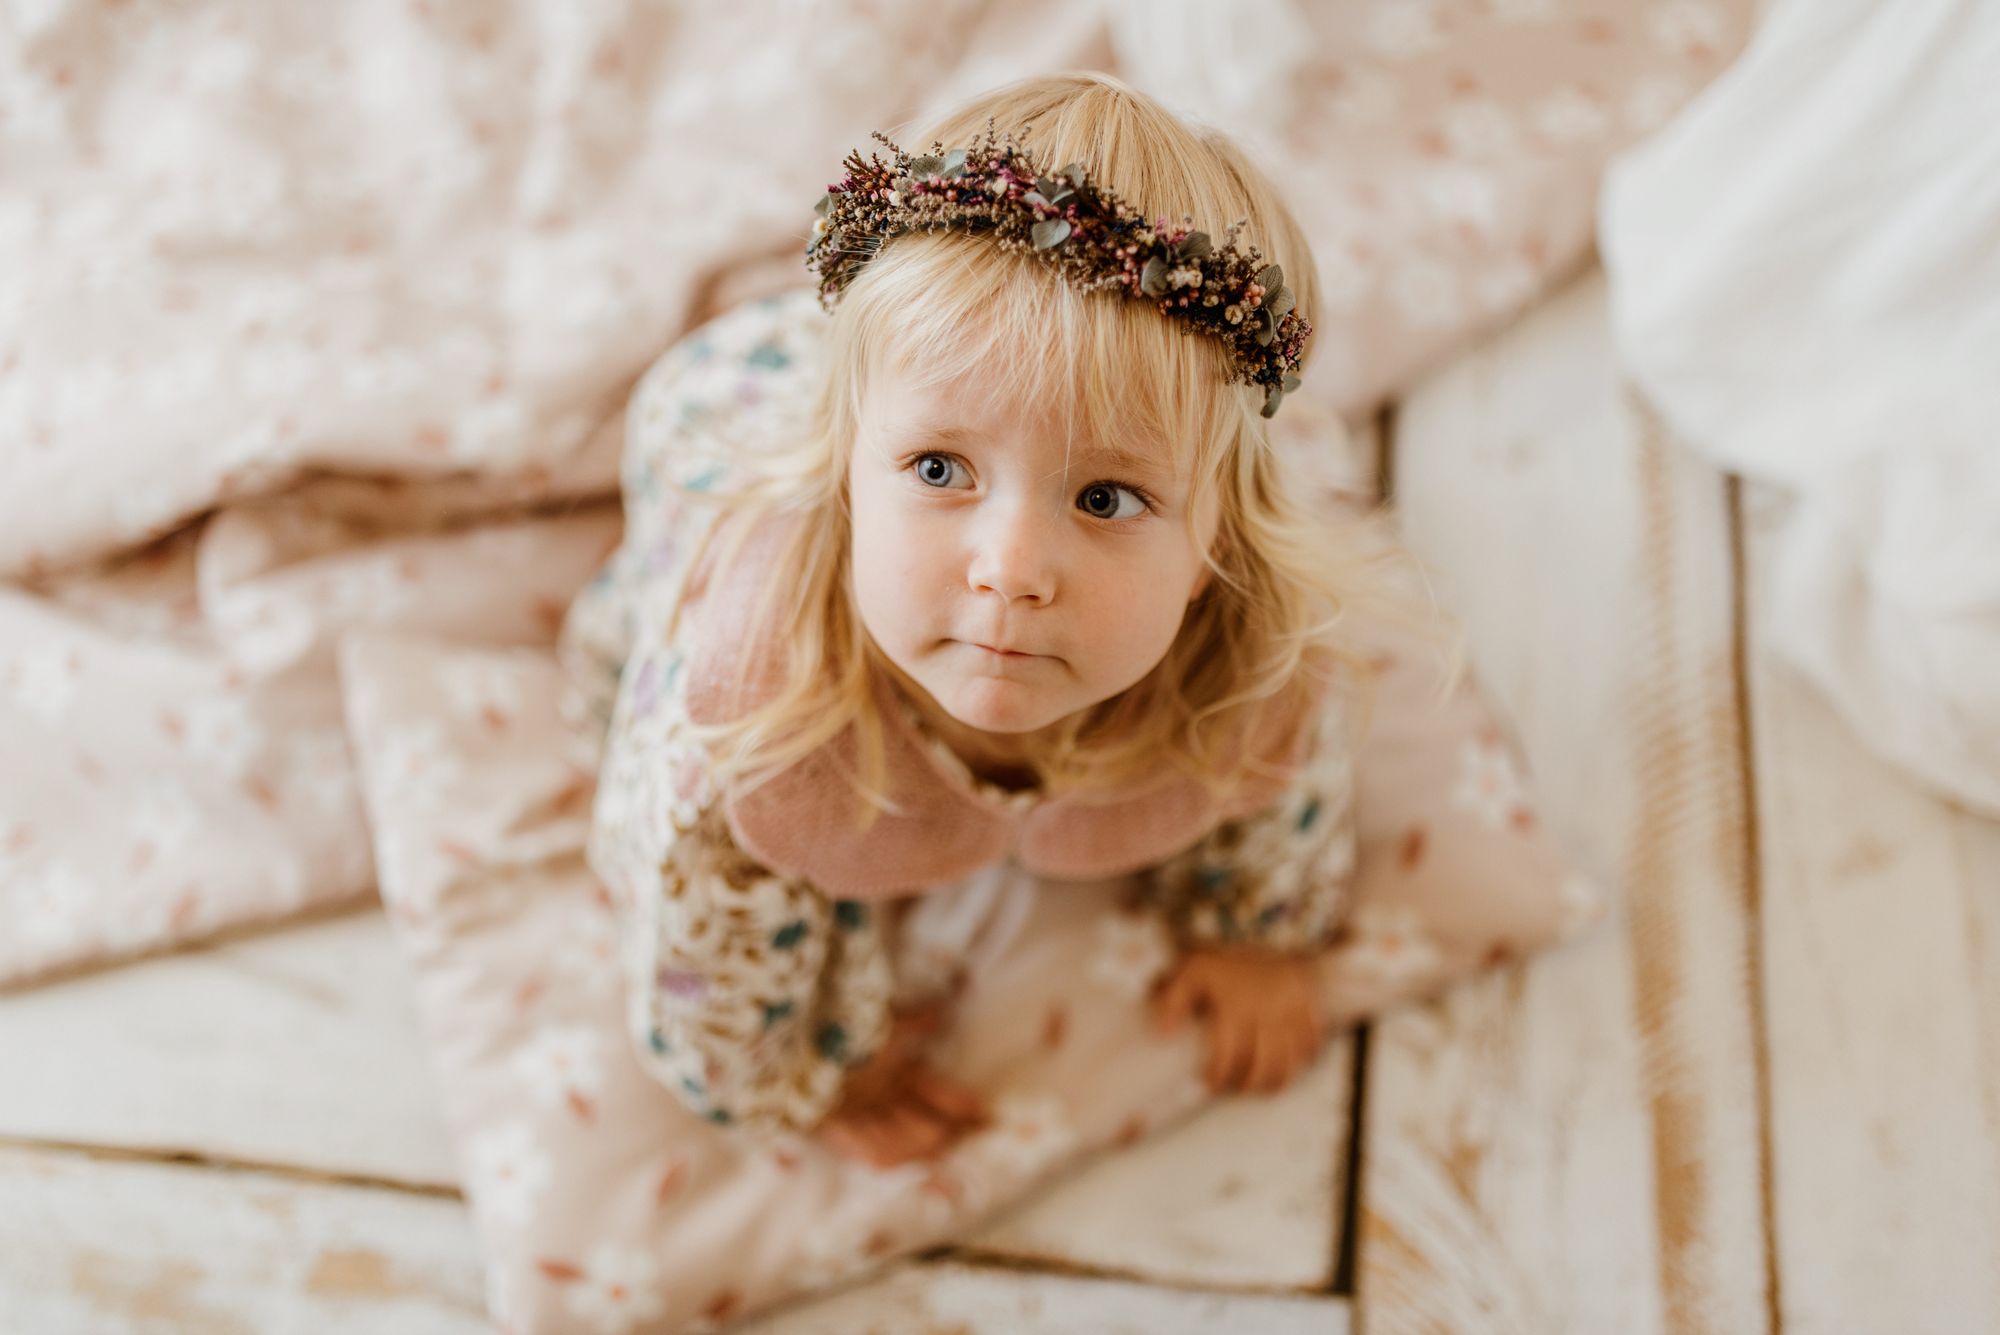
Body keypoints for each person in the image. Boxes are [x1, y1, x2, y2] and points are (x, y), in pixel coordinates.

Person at [565, 71, 1450, 1170]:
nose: (1012, 572)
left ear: (1212, 544)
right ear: (848, 483)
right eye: (939, 471)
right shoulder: (735, 726)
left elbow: (1284, 792)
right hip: (737, 403)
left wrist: (1253, 932)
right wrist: (803, 1076)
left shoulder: (1255, 655)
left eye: (1106, 498)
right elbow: (695, 958)